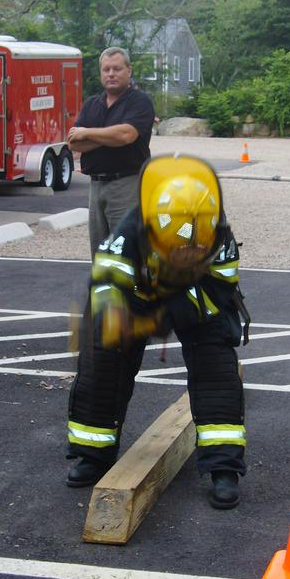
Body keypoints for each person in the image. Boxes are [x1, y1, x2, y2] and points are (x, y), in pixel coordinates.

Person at [65, 154, 250, 509]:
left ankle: (223, 466)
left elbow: (222, 290)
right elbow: (105, 285)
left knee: (217, 368)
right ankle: (92, 453)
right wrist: (119, 318)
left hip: (198, 300)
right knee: (103, 360)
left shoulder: (218, 234)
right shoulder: (129, 232)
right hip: (135, 295)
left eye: (199, 244)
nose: (193, 248)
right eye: (182, 245)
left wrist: (168, 314)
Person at [67, 47, 156, 256]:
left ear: (129, 71)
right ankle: (103, 289)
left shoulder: (140, 101)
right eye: (106, 69)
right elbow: (74, 144)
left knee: (125, 250)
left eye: (117, 69)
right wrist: (110, 136)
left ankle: (130, 289)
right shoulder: (92, 104)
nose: (111, 74)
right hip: (96, 186)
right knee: (100, 252)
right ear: (101, 73)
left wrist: (88, 132)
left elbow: (126, 135)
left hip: (127, 185)